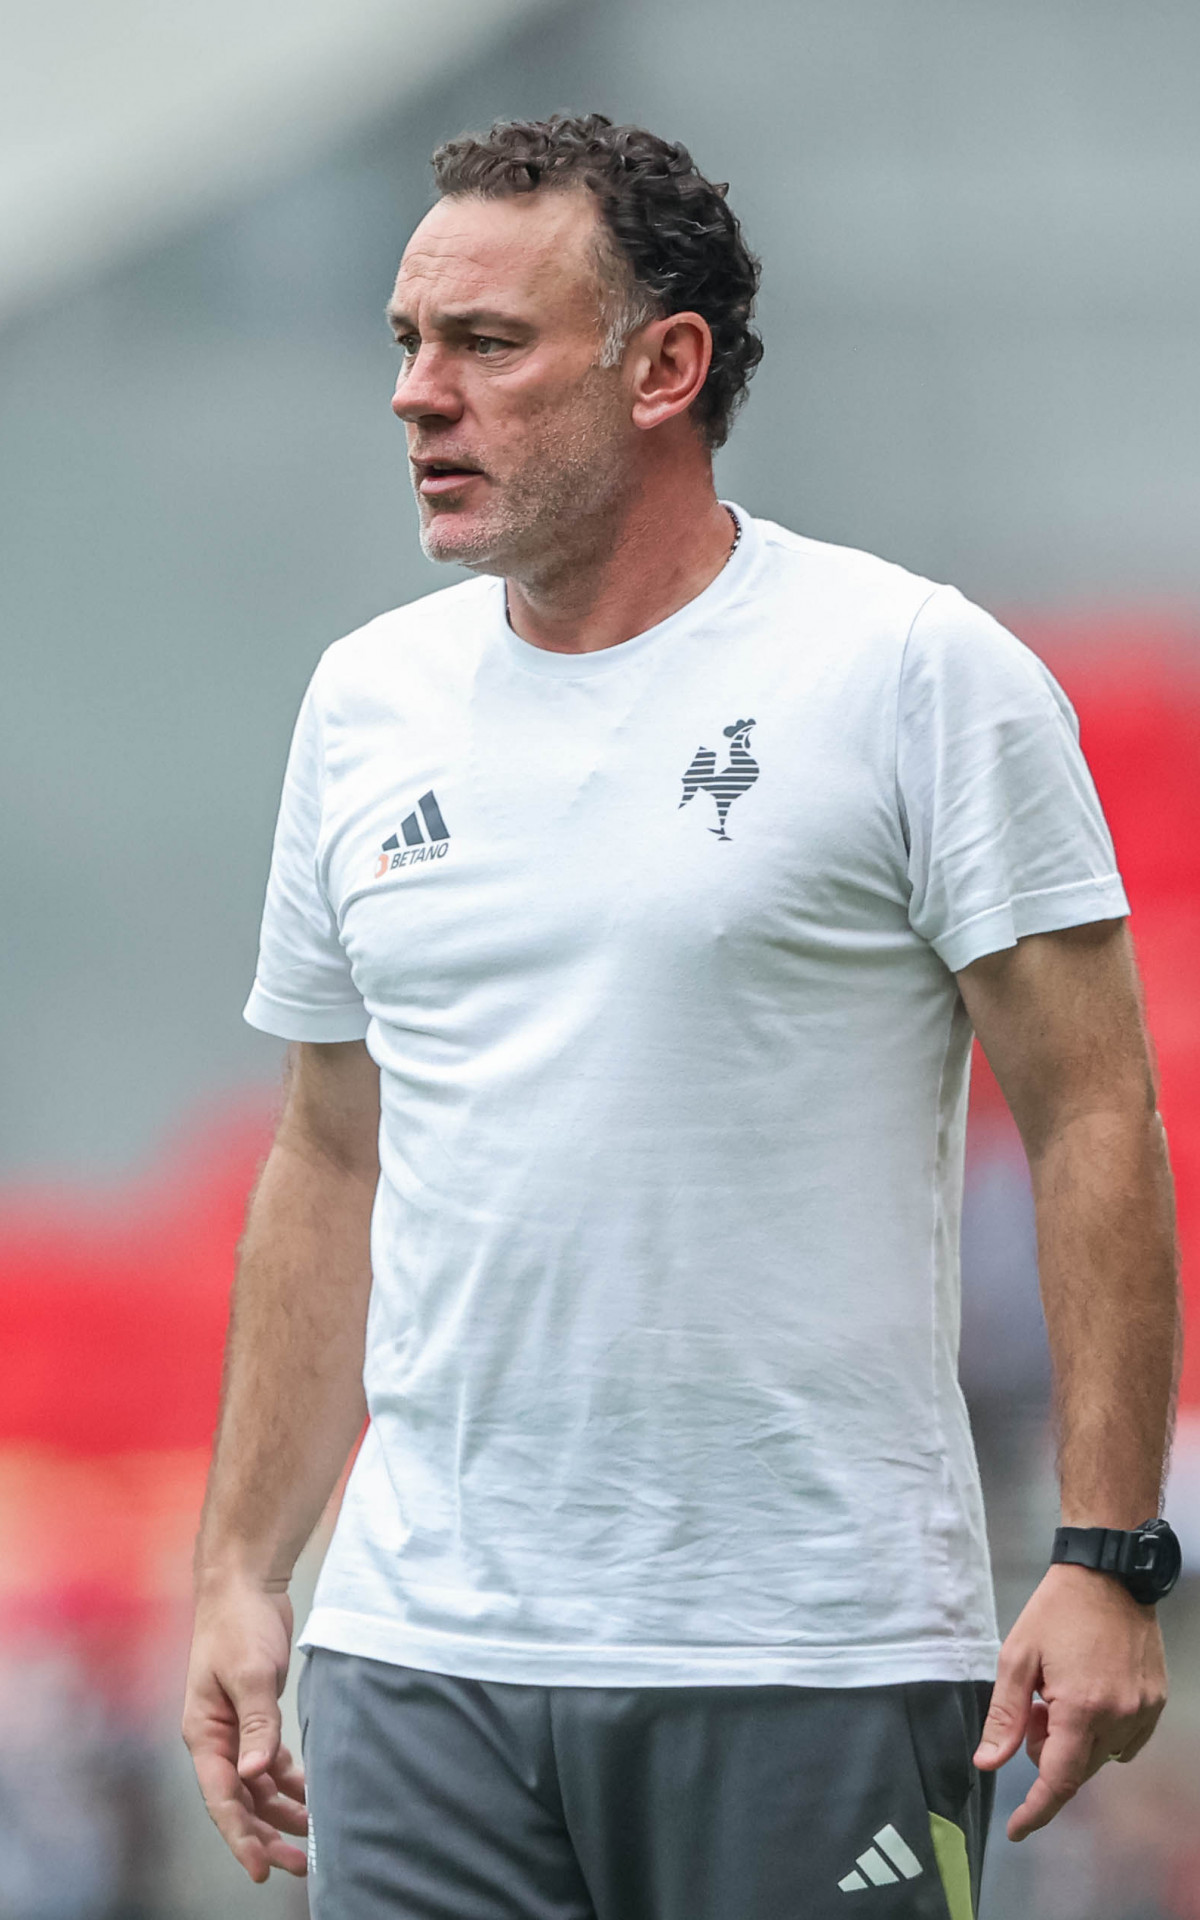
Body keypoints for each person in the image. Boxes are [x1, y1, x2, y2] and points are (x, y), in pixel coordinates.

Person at [182, 114, 1181, 1918]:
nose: (418, 394)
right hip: (420, 1657)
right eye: (407, 342)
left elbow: (1094, 1110)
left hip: (811, 1655)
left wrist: (1108, 1551)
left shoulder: (914, 671)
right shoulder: (361, 703)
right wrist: (244, 1570)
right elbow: (332, 1152)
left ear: (665, 368)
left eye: (487, 343)